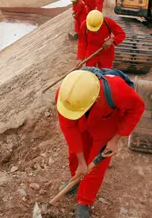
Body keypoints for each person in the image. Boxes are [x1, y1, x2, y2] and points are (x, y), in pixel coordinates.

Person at [55, 69, 145, 218]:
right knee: (75, 156)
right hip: (81, 123)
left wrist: (115, 140)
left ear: (95, 98)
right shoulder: (65, 96)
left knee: (95, 167)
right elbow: (69, 127)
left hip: (106, 123)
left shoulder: (117, 89)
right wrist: (81, 161)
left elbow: (137, 108)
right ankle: (76, 181)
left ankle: (84, 201)